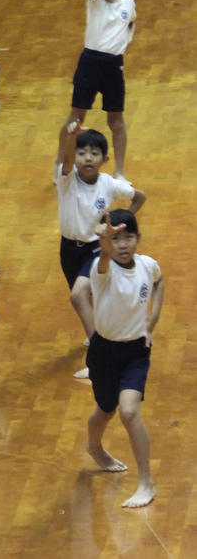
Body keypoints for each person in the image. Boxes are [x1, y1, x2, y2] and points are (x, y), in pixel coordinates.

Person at [85, 210, 163, 508]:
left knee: (129, 412)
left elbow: (159, 280)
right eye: (115, 238)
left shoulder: (147, 265)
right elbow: (104, 259)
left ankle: (146, 482)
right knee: (105, 409)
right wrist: (104, 247)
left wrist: (152, 318)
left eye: (128, 237)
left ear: (138, 239)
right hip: (104, 352)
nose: (122, 244)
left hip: (136, 352)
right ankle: (94, 446)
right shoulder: (101, 270)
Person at [56, 122, 145, 378]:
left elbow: (140, 197)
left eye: (94, 153)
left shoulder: (108, 184)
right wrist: (69, 138)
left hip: (96, 250)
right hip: (69, 249)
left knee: (78, 296)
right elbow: (64, 158)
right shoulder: (66, 180)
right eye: (82, 152)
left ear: (105, 159)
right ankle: (104, 336)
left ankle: (100, 359)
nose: (87, 158)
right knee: (91, 298)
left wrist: (118, 227)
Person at [55, 0, 136, 182]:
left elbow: (131, 23)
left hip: (113, 66)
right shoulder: (95, 0)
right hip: (90, 63)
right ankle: (60, 164)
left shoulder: (128, 1)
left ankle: (119, 172)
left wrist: (122, 45)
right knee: (76, 118)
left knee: (116, 122)